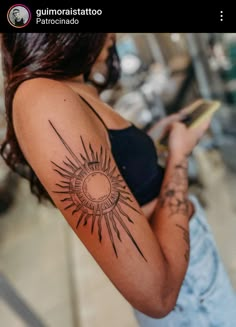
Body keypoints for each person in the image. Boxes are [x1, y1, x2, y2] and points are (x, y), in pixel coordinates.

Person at [0, 33, 235, 327]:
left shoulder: (70, 86)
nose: (112, 35)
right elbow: (158, 295)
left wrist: (151, 144)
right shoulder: (44, 100)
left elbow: (116, 170)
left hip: (194, 273)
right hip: (190, 297)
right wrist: (180, 155)